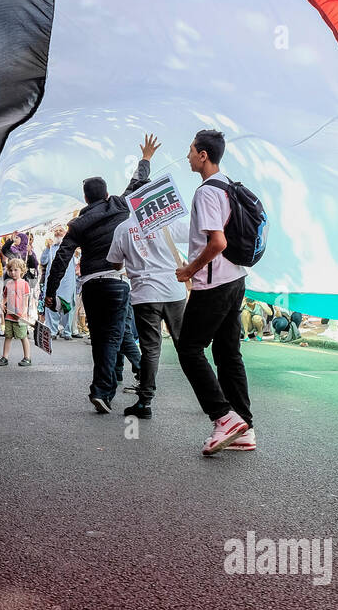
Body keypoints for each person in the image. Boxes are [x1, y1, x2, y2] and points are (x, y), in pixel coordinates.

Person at [45, 134, 158, 412]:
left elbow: (61, 258)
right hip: (117, 283)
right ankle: (105, 389)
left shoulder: (79, 223)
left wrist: (49, 292)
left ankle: (105, 390)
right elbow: (137, 183)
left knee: (101, 339)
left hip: (92, 286)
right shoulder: (119, 204)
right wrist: (146, 158)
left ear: (85, 198)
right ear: (106, 194)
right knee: (114, 337)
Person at [173, 129, 256, 455]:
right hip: (236, 278)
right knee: (227, 353)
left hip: (214, 283)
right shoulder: (228, 185)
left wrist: (189, 270)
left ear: (203, 155)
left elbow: (217, 242)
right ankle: (244, 427)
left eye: (191, 150)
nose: (189, 156)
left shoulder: (207, 192)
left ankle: (223, 417)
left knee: (190, 349)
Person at [105, 197, 186, 419]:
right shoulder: (165, 222)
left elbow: (115, 263)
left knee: (151, 349)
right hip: (174, 292)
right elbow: (194, 234)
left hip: (145, 295)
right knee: (187, 347)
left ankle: (145, 402)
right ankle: (211, 397)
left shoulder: (124, 228)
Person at [0, 257, 33, 367]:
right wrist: (2, 303)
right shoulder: (8, 284)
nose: (13, 272)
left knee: (23, 337)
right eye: (11, 270)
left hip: (20, 316)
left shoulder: (25, 284)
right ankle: (5, 357)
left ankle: (27, 358)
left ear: (22, 270)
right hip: (9, 316)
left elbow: (26, 301)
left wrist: (24, 313)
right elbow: (5, 296)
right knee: (8, 336)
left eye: (16, 270)